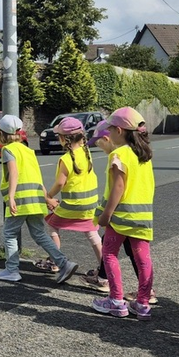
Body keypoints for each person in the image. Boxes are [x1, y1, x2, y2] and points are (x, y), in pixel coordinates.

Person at [0, 114, 79, 284]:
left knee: (9, 233)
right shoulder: (28, 150)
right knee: (39, 234)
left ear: (1, 133)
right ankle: (63, 263)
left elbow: (14, 173)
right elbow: (37, 178)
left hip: (20, 199)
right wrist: (46, 198)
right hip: (36, 200)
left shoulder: (8, 150)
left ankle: (12, 270)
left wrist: (10, 197)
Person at [79, 121, 158, 305]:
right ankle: (143, 303)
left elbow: (118, 186)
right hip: (142, 217)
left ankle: (115, 300)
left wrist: (106, 213)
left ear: (119, 131)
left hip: (121, 217)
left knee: (109, 254)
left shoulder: (119, 154)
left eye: (112, 129)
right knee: (143, 259)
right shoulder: (143, 154)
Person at [44, 117, 101, 275]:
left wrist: (49, 195)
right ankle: (105, 269)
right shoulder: (86, 152)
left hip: (71, 205)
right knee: (92, 233)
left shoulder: (66, 159)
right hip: (90, 204)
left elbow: (60, 183)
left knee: (53, 225)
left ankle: (55, 262)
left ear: (63, 139)